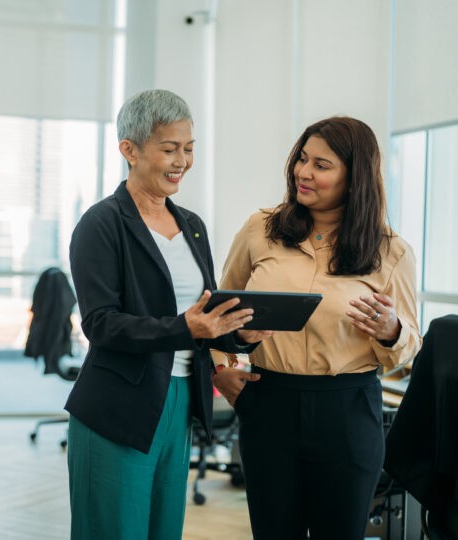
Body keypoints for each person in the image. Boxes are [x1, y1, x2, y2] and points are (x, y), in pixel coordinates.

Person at [64, 89, 269, 540]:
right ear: (129, 150)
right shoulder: (101, 225)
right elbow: (99, 324)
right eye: (170, 148)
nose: (183, 160)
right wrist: (184, 328)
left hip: (179, 402)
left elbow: (204, 316)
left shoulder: (192, 224)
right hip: (117, 407)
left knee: (163, 531)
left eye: (190, 148)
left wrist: (241, 338)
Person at [212, 116, 422, 540]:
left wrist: (391, 329)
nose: (303, 172)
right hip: (268, 402)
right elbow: (221, 310)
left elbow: (409, 346)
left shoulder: (390, 251)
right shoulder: (260, 229)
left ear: (354, 177)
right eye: (302, 159)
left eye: (321, 165)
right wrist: (224, 366)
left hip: (347, 411)